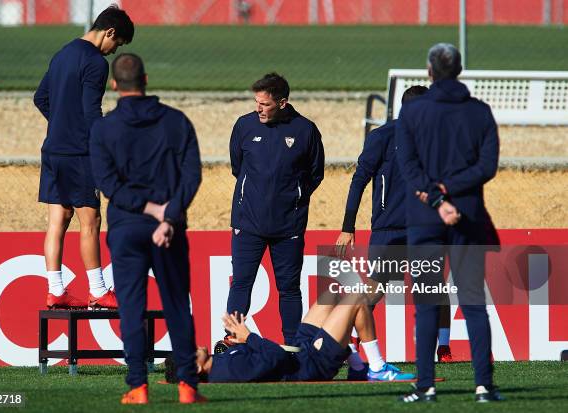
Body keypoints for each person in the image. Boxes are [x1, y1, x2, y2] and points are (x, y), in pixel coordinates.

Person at [89, 53, 206, 405]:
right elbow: (192, 175)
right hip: (168, 228)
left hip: (126, 227)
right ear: (146, 79)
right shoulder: (176, 122)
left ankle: (138, 386)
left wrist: (149, 209)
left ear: (114, 85)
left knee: (132, 309)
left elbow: (108, 183)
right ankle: (187, 384)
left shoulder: (104, 128)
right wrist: (168, 216)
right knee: (176, 305)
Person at [395, 43, 503, 403]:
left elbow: (409, 168)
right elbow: (486, 167)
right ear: (458, 70)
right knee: (473, 302)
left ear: (429, 71)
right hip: (468, 216)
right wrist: (451, 192)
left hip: (425, 218)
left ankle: (425, 385)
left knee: (426, 304)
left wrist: (437, 197)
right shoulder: (479, 112)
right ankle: (484, 385)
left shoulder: (412, 113)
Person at [335, 86, 453, 380]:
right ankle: (351, 347)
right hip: (389, 229)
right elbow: (359, 180)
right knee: (376, 288)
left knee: (433, 287)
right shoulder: (382, 137)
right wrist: (348, 226)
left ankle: (444, 348)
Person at [33, 5, 134, 309]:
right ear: (110, 32)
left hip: (52, 149)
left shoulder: (62, 53)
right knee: (90, 221)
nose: (113, 51)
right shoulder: (95, 62)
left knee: (57, 220)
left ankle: (55, 290)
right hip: (79, 153)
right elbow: (92, 113)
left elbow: (41, 98)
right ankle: (99, 290)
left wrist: (62, 121)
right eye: (117, 44)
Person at [226, 73, 325, 345]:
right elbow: (238, 167)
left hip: (288, 226)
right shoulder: (245, 125)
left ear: (282, 103)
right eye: (256, 102)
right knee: (242, 283)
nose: (258, 108)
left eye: (265, 104)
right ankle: (233, 339)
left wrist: (293, 197)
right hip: (248, 223)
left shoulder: (305, 130)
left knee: (289, 289)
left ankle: (293, 346)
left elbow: (315, 175)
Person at [167, 290, 411, 384]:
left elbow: (265, 357)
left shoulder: (220, 361)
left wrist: (242, 342)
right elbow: (275, 359)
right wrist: (249, 337)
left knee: (331, 296)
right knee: (355, 301)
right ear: (196, 367)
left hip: (299, 352)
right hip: (310, 364)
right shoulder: (228, 372)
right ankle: (377, 368)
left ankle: (357, 368)